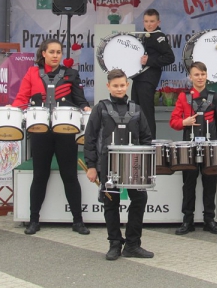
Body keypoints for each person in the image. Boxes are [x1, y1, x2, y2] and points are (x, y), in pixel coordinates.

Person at [11, 38, 91, 236]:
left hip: (66, 132)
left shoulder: (71, 74)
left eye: (59, 52)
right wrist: (14, 111)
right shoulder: (32, 73)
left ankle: (78, 221)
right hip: (40, 132)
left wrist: (87, 109)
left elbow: (80, 100)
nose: (56, 55)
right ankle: (33, 220)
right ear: (43, 53)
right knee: (40, 176)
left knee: (70, 176)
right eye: (52, 52)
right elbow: (22, 98)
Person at [84, 69, 154, 261]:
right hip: (107, 165)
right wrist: (92, 166)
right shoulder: (100, 108)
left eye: (122, 85)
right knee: (111, 204)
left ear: (127, 85)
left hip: (134, 165)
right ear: (108, 86)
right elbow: (89, 138)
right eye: (115, 85)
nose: (119, 88)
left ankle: (132, 244)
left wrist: (146, 165)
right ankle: (115, 243)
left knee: (139, 200)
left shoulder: (137, 109)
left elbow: (147, 138)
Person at [170, 61, 217, 235]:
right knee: (188, 184)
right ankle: (188, 221)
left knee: (211, 183)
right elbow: (173, 122)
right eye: (196, 74)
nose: (200, 77)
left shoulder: (215, 96)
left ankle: (209, 220)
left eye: (203, 74)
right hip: (189, 147)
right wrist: (184, 122)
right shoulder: (183, 97)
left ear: (206, 75)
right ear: (190, 77)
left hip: (211, 147)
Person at [131, 8, 175, 139]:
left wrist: (150, 60)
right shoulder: (142, 35)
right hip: (138, 78)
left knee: (146, 112)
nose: (149, 24)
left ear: (158, 22)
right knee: (135, 110)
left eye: (152, 21)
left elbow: (170, 57)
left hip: (148, 78)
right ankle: (137, 139)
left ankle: (150, 141)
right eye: (146, 21)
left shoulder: (159, 37)